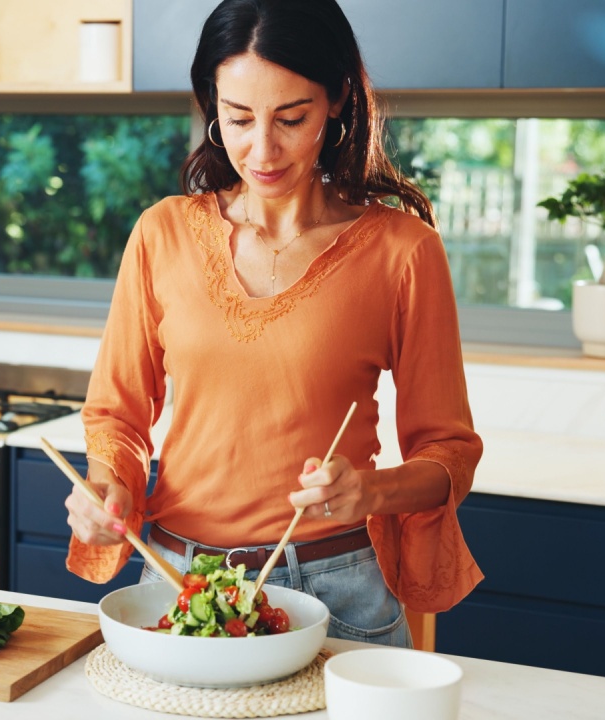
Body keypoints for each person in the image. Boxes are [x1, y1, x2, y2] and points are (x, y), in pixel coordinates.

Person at [63, 0, 483, 648]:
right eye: (237, 118)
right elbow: (116, 418)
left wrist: (369, 492)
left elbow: (448, 452)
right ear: (212, 105)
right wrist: (107, 489)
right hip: (177, 582)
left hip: (337, 592)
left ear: (337, 99)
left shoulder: (404, 251)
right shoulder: (161, 233)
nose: (262, 149)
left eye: (291, 118)